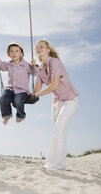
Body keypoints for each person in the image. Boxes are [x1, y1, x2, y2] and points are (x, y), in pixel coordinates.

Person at [34, 39, 78, 170]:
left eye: (42, 46)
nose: (39, 48)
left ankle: (51, 163)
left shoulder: (55, 62)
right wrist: (35, 71)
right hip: (56, 103)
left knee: (59, 129)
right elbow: (37, 90)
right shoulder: (40, 68)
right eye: (37, 47)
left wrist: (36, 95)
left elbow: (54, 85)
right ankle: (61, 164)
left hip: (70, 100)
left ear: (48, 49)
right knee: (59, 132)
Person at [0, 40, 39, 125]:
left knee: (18, 101)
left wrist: (34, 65)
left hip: (22, 90)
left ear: (21, 54)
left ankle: (20, 116)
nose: (14, 53)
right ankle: (6, 116)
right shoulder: (8, 64)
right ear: (9, 54)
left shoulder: (26, 65)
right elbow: (0, 66)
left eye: (17, 51)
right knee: (2, 99)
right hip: (10, 89)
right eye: (11, 51)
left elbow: (34, 73)